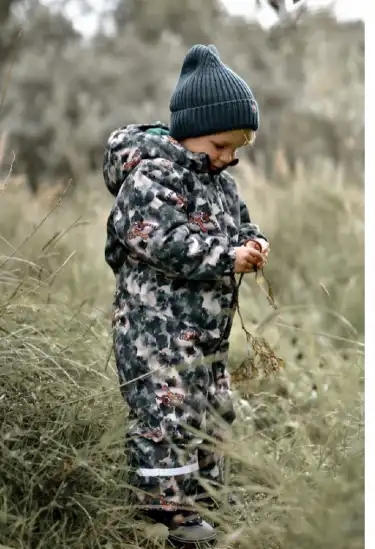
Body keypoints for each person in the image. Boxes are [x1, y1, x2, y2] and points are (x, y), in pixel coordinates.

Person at [103, 43, 268, 547]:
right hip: (156, 329)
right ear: (189, 130)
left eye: (237, 149)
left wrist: (253, 242)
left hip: (206, 334)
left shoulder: (221, 183)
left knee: (211, 409)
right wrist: (224, 258)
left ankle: (202, 500)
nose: (228, 158)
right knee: (164, 410)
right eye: (220, 146)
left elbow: (240, 225)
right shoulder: (152, 176)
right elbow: (159, 239)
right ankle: (171, 513)